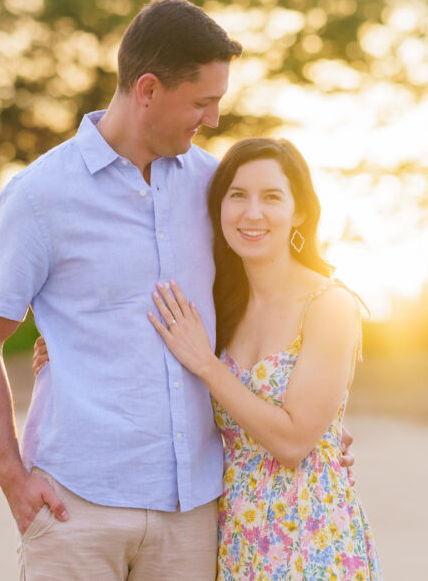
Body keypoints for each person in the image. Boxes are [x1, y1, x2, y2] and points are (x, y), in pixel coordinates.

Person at [0, 0, 353, 579]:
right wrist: (11, 477)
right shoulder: (39, 197)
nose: (212, 119)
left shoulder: (215, 187)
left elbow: (275, 302)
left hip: (194, 512)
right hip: (78, 508)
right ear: (147, 91)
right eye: (202, 102)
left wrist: (320, 426)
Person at [35, 138, 381, 579]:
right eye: (237, 195)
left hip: (312, 536)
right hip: (239, 537)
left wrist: (207, 364)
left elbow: (293, 443)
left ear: (299, 212)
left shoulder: (329, 305)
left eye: (271, 197)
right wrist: (66, 348)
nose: (252, 213)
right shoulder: (221, 304)